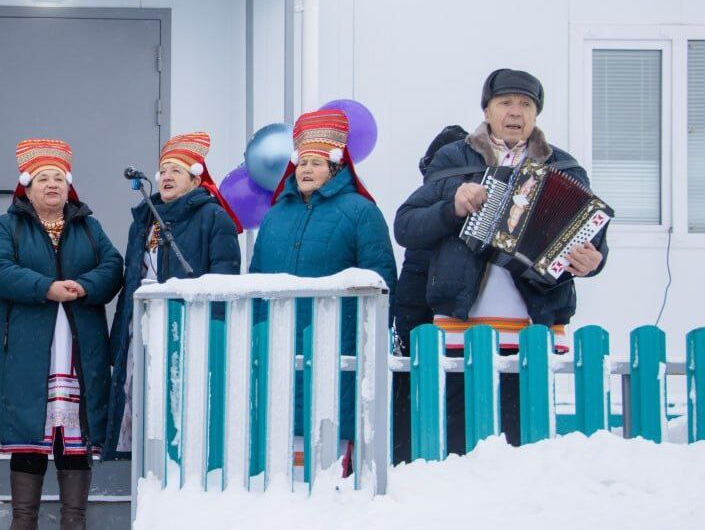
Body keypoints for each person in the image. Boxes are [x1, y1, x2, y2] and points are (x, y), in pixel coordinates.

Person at [394, 69, 607, 453]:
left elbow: (592, 241)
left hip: (533, 328)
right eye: (505, 102)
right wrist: (452, 207)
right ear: (487, 110)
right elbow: (407, 226)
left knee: (526, 444)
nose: (515, 112)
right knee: (458, 442)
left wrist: (594, 260)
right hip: (460, 326)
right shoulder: (453, 158)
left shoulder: (565, 166)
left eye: (525, 104)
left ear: (536, 114)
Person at [0, 139, 123, 530]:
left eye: (59, 178)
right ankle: (23, 521)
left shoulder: (88, 225)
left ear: (69, 185)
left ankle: (73, 522)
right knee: (30, 435)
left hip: (80, 350)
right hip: (27, 352)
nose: (52, 185)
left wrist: (84, 286)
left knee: (74, 439)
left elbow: (113, 266)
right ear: (27, 189)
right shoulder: (9, 225)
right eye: (43, 178)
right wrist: (45, 287)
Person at [249, 109, 397, 475]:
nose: (306, 170)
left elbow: (381, 281)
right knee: (278, 431)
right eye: (302, 162)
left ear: (335, 167)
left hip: (337, 343)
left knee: (330, 424)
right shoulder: (275, 216)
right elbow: (256, 279)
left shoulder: (361, 213)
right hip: (279, 342)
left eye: (316, 163)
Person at [104, 132, 242, 460]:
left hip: (189, 328)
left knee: (181, 405)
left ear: (196, 179)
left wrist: (215, 334)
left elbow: (224, 279)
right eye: (163, 171)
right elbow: (131, 279)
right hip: (142, 327)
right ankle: (145, 469)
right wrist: (119, 337)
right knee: (142, 400)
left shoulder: (213, 218)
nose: (166, 177)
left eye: (176, 171)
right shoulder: (145, 220)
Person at [390, 124, 468, 464]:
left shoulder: (455, 213)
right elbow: (412, 278)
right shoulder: (427, 213)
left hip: (445, 327)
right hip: (426, 327)